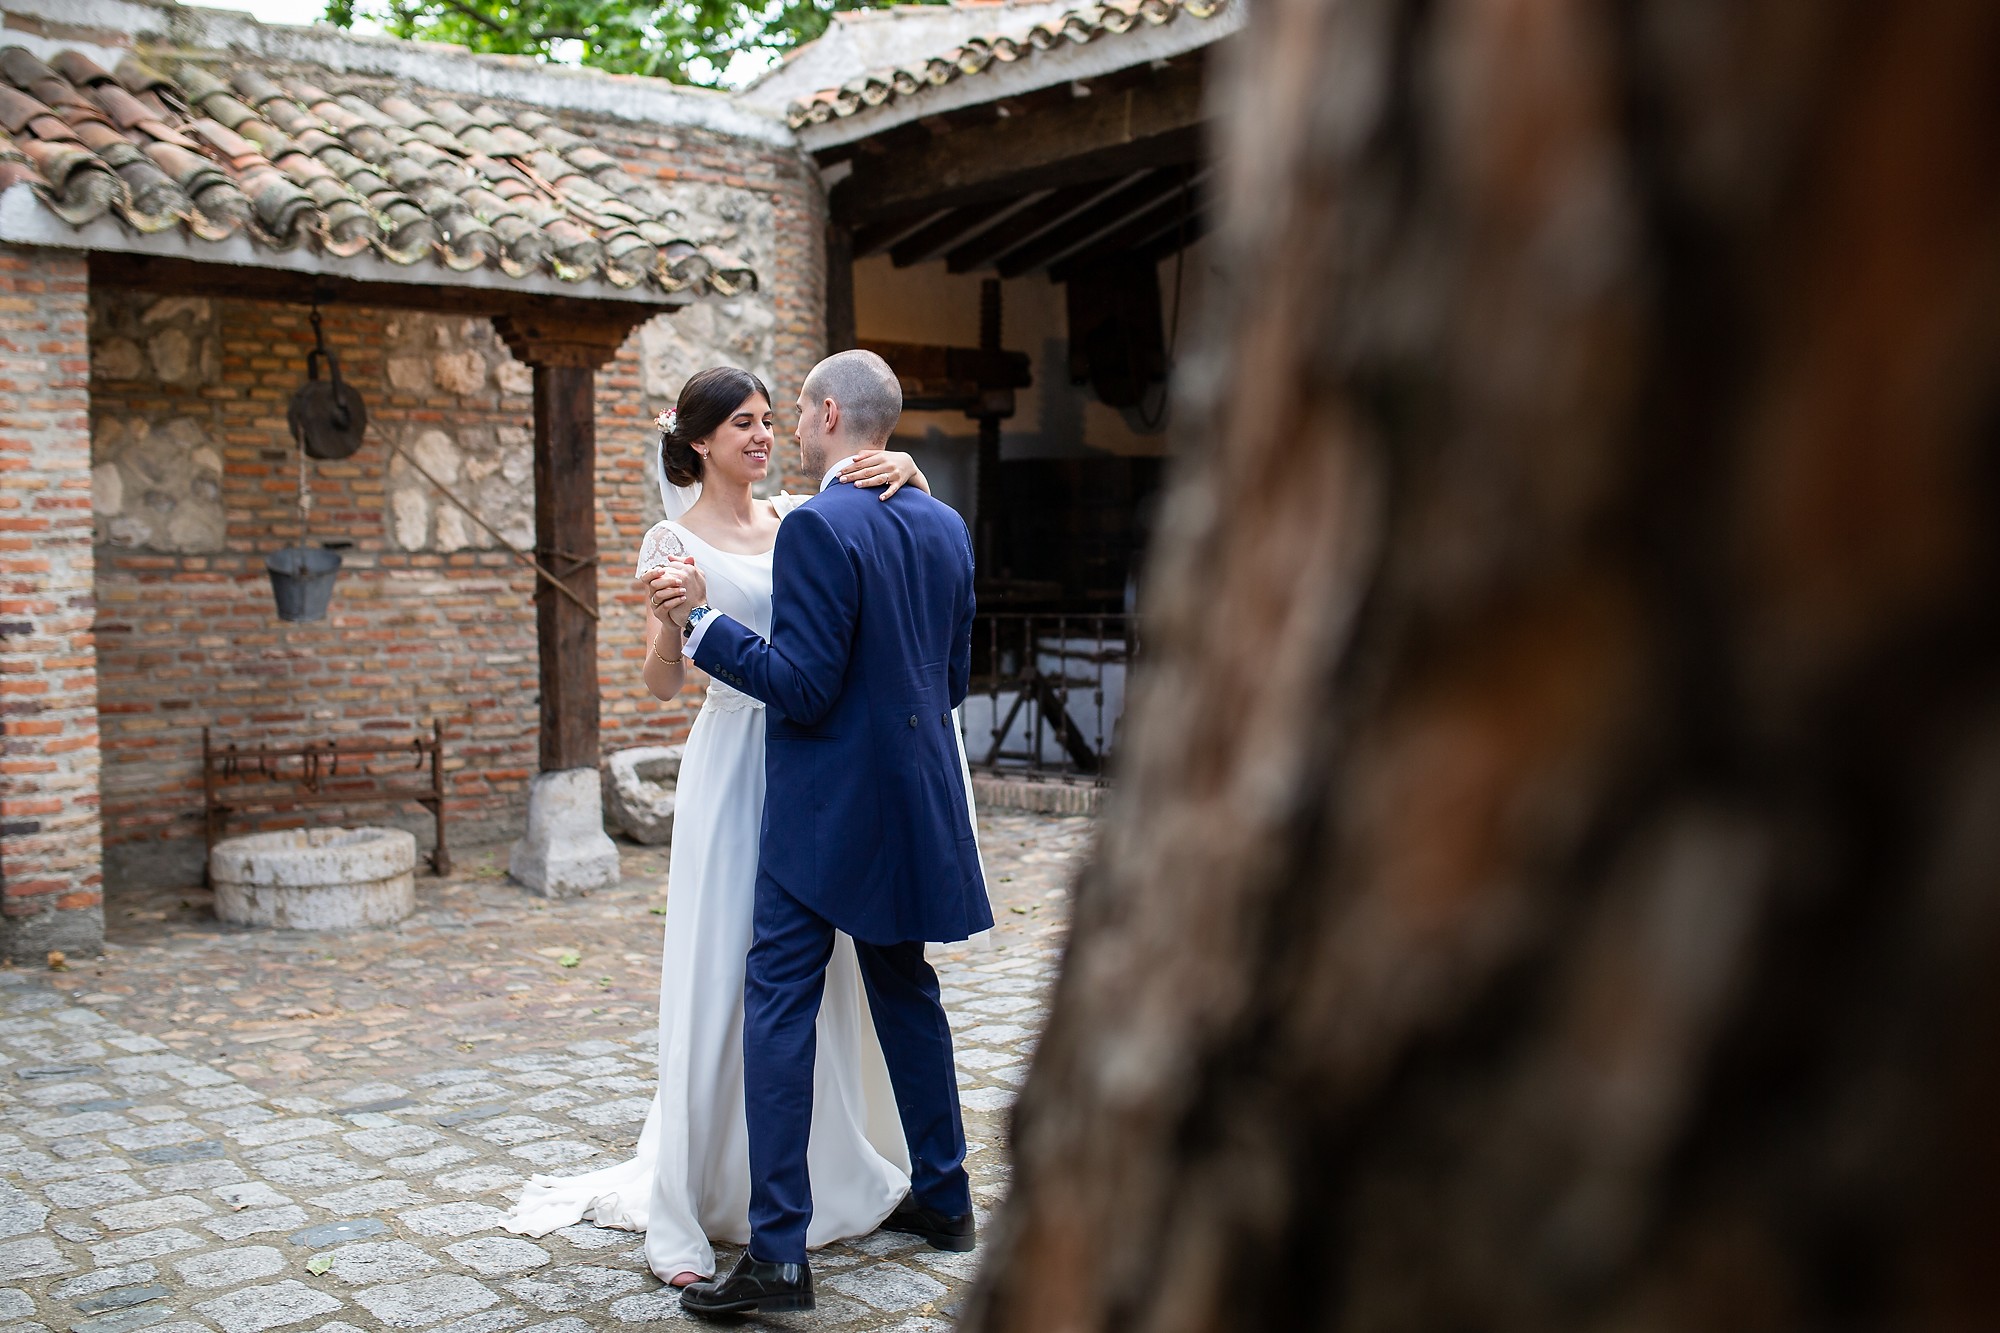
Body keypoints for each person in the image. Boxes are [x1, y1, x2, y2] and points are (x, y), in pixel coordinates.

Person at [503, 367, 945, 1286]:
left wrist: (908, 467)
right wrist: (676, 620)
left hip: (815, 765)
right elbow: (663, 680)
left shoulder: (800, 516)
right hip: (735, 759)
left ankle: (820, 1173)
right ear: (699, 440)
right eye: (742, 423)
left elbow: (874, 534)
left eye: (770, 419)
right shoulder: (672, 540)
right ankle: (702, 1185)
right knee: (730, 966)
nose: (762, 435)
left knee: (809, 981)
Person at [674, 350, 991, 1317]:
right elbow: (951, 679)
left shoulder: (815, 525)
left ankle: (778, 1255)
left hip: (823, 809)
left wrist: (704, 627)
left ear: (822, 415)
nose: (783, 432)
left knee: (779, 1001)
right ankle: (946, 1198)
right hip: (915, 796)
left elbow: (803, 687)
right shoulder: (943, 522)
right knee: (906, 988)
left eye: (793, 413)